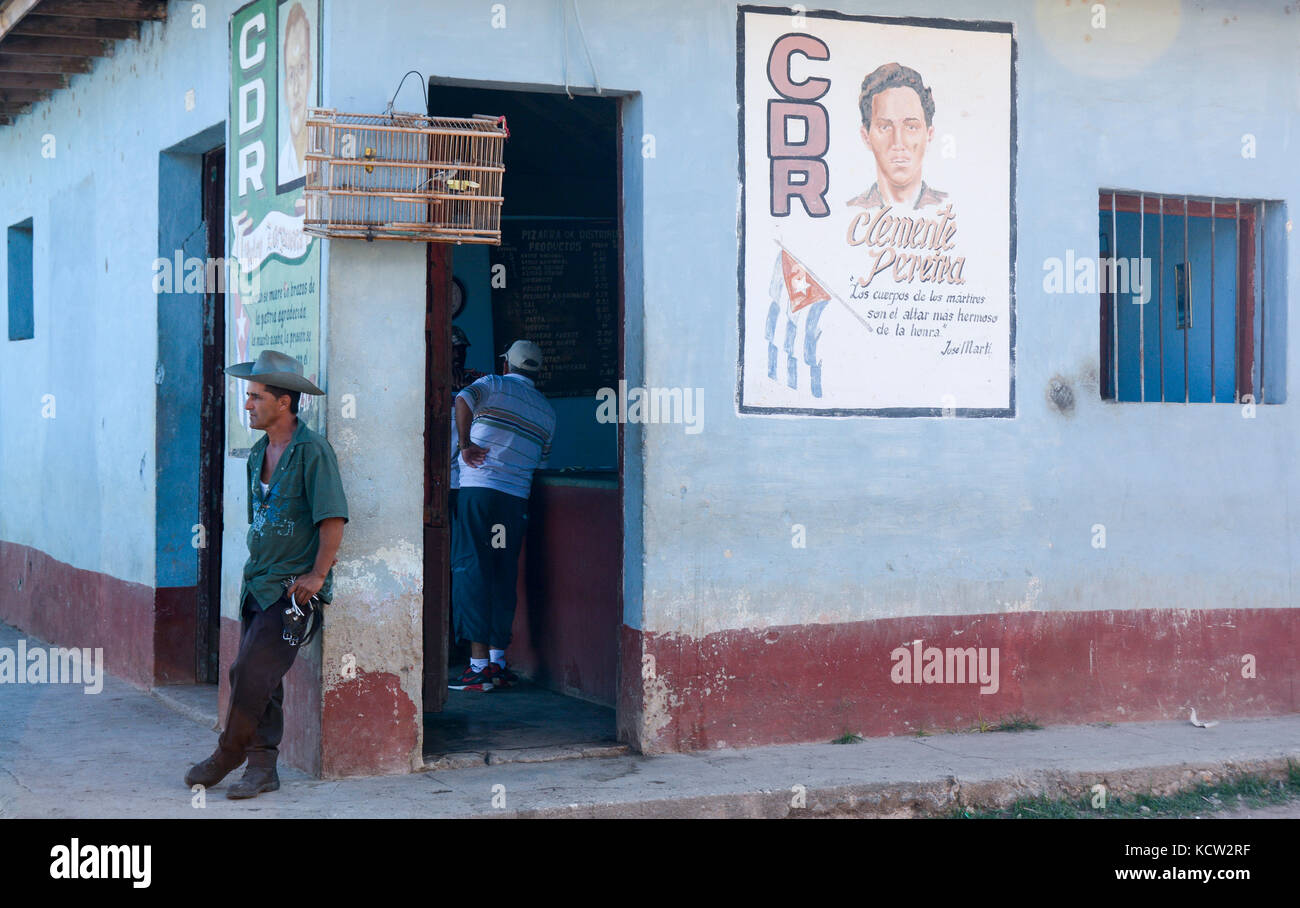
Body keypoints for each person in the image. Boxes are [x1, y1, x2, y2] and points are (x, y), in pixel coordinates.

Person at [184, 349, 348, 799]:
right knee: (264, 681)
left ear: (285, 402)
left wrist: (317, 576)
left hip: (291, 590)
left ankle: (228, 753)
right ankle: (262, 769)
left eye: (256, 397)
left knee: (248, 672)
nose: (248, 405)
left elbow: (332, 519)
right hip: (257, 583)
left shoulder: (313, 452)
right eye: (248, 396)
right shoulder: (258, 453)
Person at [449, 340, 556, 692]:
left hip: (480, 492)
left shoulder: (495, 384)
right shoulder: (546, 412)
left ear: (507, 363)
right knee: (500, 571)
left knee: (470, 568)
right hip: (514, 503)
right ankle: (496, 662)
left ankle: (478, 668)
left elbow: (462, 398)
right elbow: (540, 463)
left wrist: (465, 444)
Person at [845, 62, 948, 211]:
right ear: (866, 136)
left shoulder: (950, 207)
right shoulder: (850, 211)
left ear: (929, 135)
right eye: (885, 127)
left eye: (911, 127)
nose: (898, 142)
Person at [278, 2, 312, 185]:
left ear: (311, 72)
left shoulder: (319, 150)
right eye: (291, 74)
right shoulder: (281, 163)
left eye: (301, 68)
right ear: (284, 87)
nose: (297, 87)